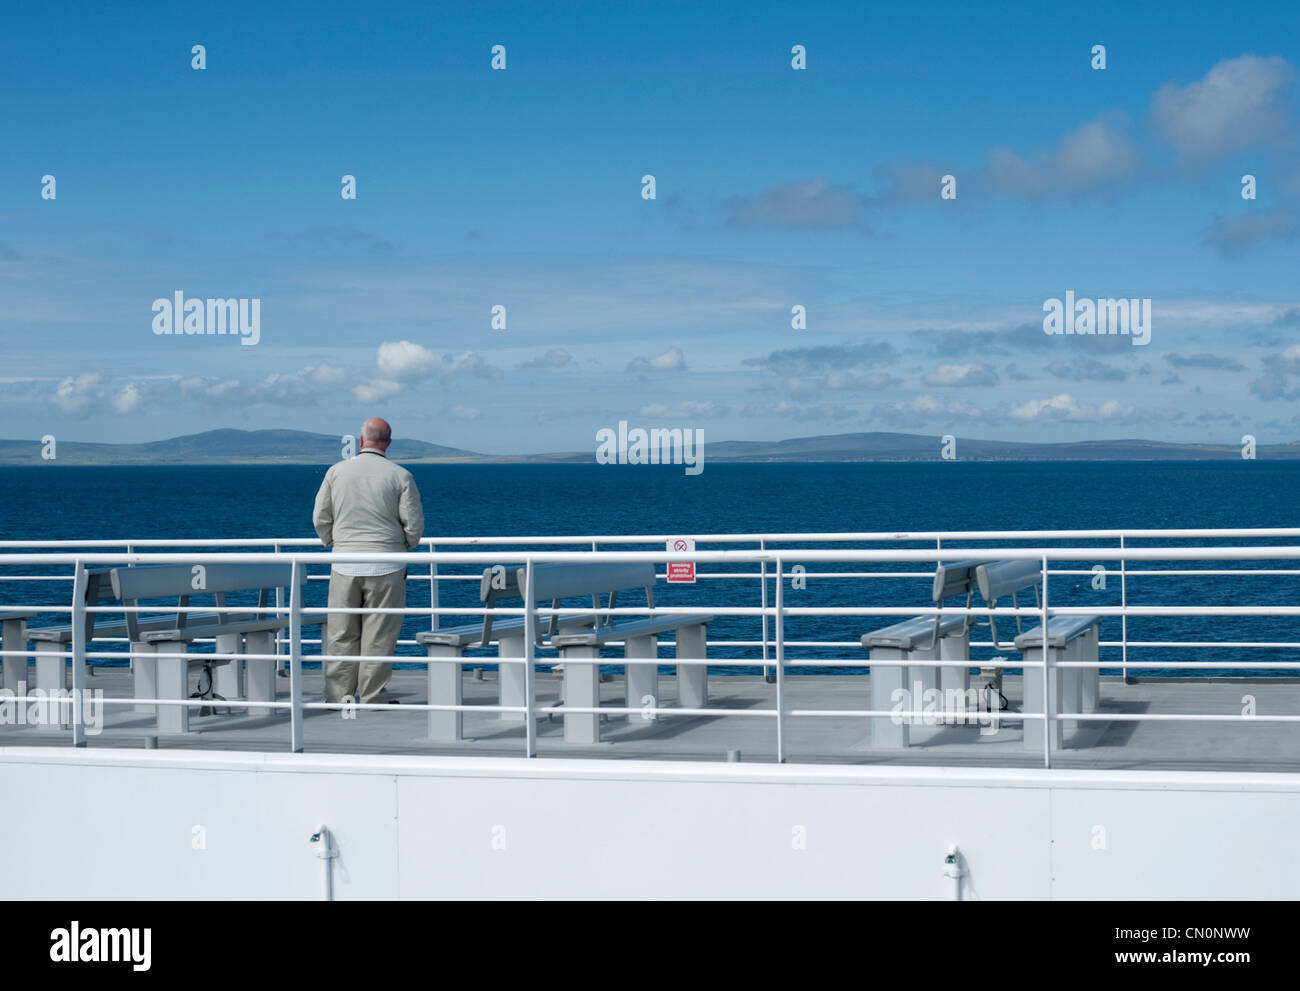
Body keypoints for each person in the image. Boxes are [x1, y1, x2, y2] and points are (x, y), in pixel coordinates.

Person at [312, 417, 424, 706]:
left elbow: (320, 517)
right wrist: (403, 546)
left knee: (341, 632)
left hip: (345, 563)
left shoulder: (336, 472)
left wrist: (334, 543)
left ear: (361, 441)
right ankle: (373, 695)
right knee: (379, 635)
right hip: (387, 564)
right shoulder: (401, 476)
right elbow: (413, 525)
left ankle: (338, 696)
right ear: (387, 442)